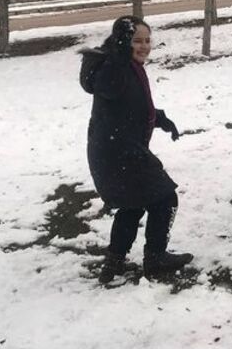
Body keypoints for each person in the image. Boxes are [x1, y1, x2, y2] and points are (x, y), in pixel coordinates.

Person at [79, 16, 193, 284]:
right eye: (136, 41)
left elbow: (132, 106)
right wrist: (119, 52)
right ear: (122, 42)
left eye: (147, 40)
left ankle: (114, 262)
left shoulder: (128, 66)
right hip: (120, 153)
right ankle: (155, 257)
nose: (144, 46)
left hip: (115, 151)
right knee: (165, 198)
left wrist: (162, 120)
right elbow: (109, 87)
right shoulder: (115, 67)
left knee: (132, 206)